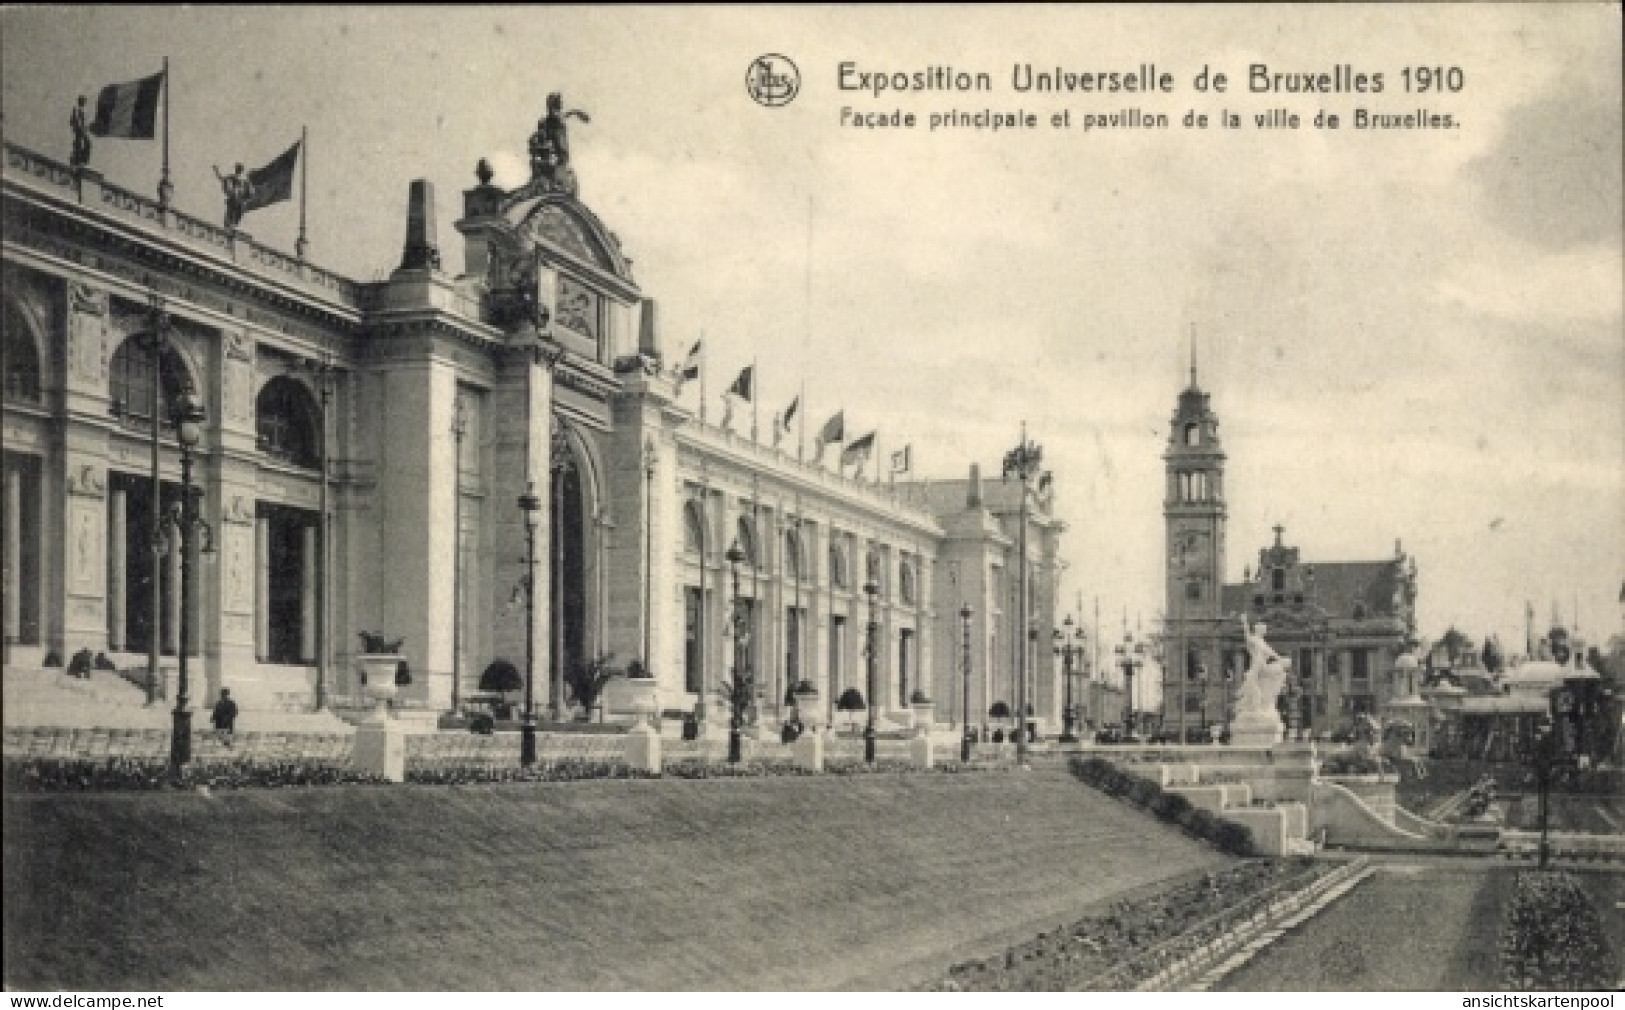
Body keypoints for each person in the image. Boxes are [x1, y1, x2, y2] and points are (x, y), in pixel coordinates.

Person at [212, 163, 254, 231]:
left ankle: (231, 226)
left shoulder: (244, 181)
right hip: (234, 200)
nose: (238, 171)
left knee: (234, 216)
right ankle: (229, 226)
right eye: (238, 169)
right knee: (230, 216)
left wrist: (245, 199)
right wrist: (216, 171)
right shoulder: (233, 178)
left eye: (239, 170)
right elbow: (222, 178)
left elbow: (251, 192)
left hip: (238, 201)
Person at [69, 95, 91, 170]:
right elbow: (76, 119)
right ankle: (77, 161)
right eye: (83, 101)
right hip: (79, 130)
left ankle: (82, 161)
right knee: (80, 144)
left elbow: (84, 121)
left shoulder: (83, 110)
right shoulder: (77, 109)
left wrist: (86, 127)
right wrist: (80, 127)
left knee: (86, 143)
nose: (84, 103)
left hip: (82, 130)